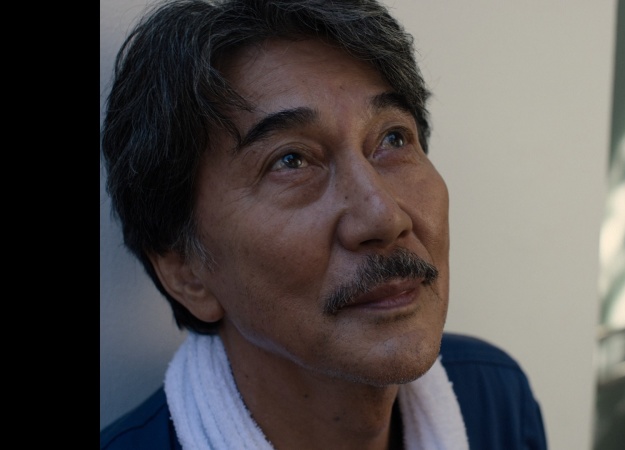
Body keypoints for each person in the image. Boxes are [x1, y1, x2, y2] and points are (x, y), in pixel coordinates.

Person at [99, 0, 548, 448]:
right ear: (185, 271)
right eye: (291, 161)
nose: (384, 217)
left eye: (393, 138)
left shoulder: (492, 400)